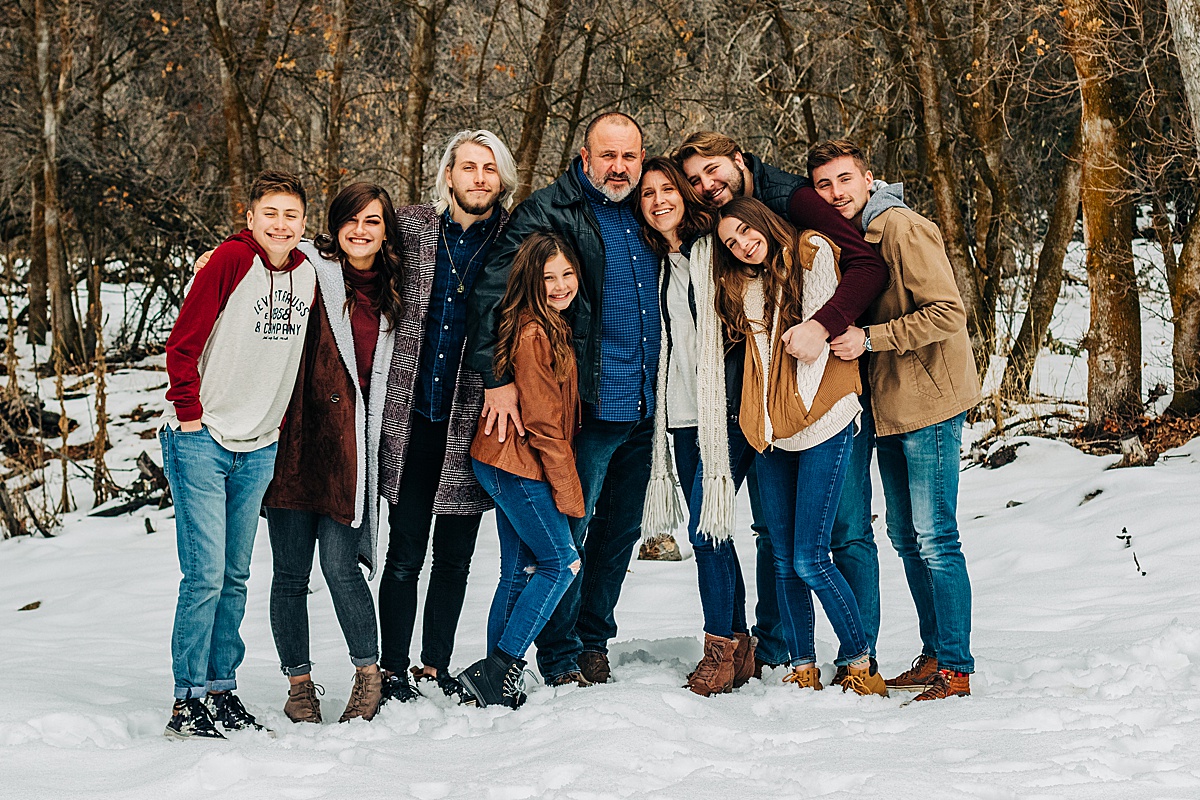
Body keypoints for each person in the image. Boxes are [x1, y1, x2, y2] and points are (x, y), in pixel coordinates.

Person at [676, 131, 891, 675]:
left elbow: (866, 266)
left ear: (738, 160)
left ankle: (859, 658)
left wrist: (821, 325)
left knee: (835, 540)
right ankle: (792, 657)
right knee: (778, 544)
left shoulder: (798, 207)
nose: (706, 185)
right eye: (695, 180)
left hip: (826, 409)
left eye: (712, 171)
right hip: (768, 421)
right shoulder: (733, 263)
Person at [466, 112, 659, 687]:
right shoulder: (552, 210)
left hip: (645, 402)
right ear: (585, 157)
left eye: (630, 157)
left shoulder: (653, 210)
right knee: (570, 532)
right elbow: (492, 291)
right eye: (608, 156)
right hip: (591, 404)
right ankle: (557, 654)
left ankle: (593, 641)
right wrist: (496, 377)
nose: (619, 168)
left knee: (620, 532)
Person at [812, 140, 981, 701]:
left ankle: (956, 667)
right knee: (906, 538)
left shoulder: (902, 228)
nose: (836, 194)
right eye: (825, 186)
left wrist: (871, 339)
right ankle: (935, 654)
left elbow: (947, 312)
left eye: (845, 180)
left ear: (869, 178)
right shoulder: (853, 235)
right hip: (889, 407)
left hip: (928, 402)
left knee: (936, 538)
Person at [159, 170, 315, 738]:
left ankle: (222, 688)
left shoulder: (309, 273)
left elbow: (351, 250)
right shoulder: (229, 261)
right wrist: (188, 413)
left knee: (237, 576)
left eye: (291, 214)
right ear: (250, 219)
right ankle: (187, 700)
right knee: (204, 576)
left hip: (260, 446)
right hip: (203, 438)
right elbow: (183, 343)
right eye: (269, 213)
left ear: (304, 223)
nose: (280, 224)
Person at [712, 196, 887, 697]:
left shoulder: (811, 254)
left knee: (812, 557)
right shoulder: (744, 283)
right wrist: (766, 423)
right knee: (784, 558)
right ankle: (803, 663)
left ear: (763, 220)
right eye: (731, 243)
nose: (743, 245)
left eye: (746, 231)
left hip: (821, 425)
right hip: (770, 433)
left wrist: (800, 416)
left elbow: (814, 347)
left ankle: (859, 660)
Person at [377, 130, 516, 703]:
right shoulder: (410, 228)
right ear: (448, 176)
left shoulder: (518, 238)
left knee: (454, 555)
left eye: (489, 169)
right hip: (412, 413)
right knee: (404, 554)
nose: (479, 178)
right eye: (468, 167)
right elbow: (345, 245)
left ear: (501, 179)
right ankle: (391, 669)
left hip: (474, 418)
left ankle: (435, 665)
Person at [261, 183, 404, 724]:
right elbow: (263, 250)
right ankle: (299, 685)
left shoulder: (394, 290)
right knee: (290, 573)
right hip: (295, 443)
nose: (360, 231)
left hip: (350, 448)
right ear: (335, 225)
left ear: (386, 229)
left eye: (373, 221)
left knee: (343, 566)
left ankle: (369, 673)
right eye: (351, 220)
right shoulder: (309, 268)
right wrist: (217, 257)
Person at [634, 157, 756, 695]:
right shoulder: (656, 261)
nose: (659, 200)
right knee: (715, 532)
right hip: (680, 416)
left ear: (685, 194)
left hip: (722, 414)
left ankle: (719, 651)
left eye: (668, 189)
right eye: (647, 193)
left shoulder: (715, 254)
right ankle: (740, 642)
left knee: (706, 534)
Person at [459, 233, 586, 708]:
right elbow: (543, 423)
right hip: (517, 463)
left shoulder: (550, 324)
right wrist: (568, 492)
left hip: (504, 458)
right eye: (547, 276)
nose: (558, 285)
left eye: (567, 274)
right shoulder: (535, 332)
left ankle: (492, 679)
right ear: (529, 280)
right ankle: (500, 666)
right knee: (562, 563)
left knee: (519, 570)